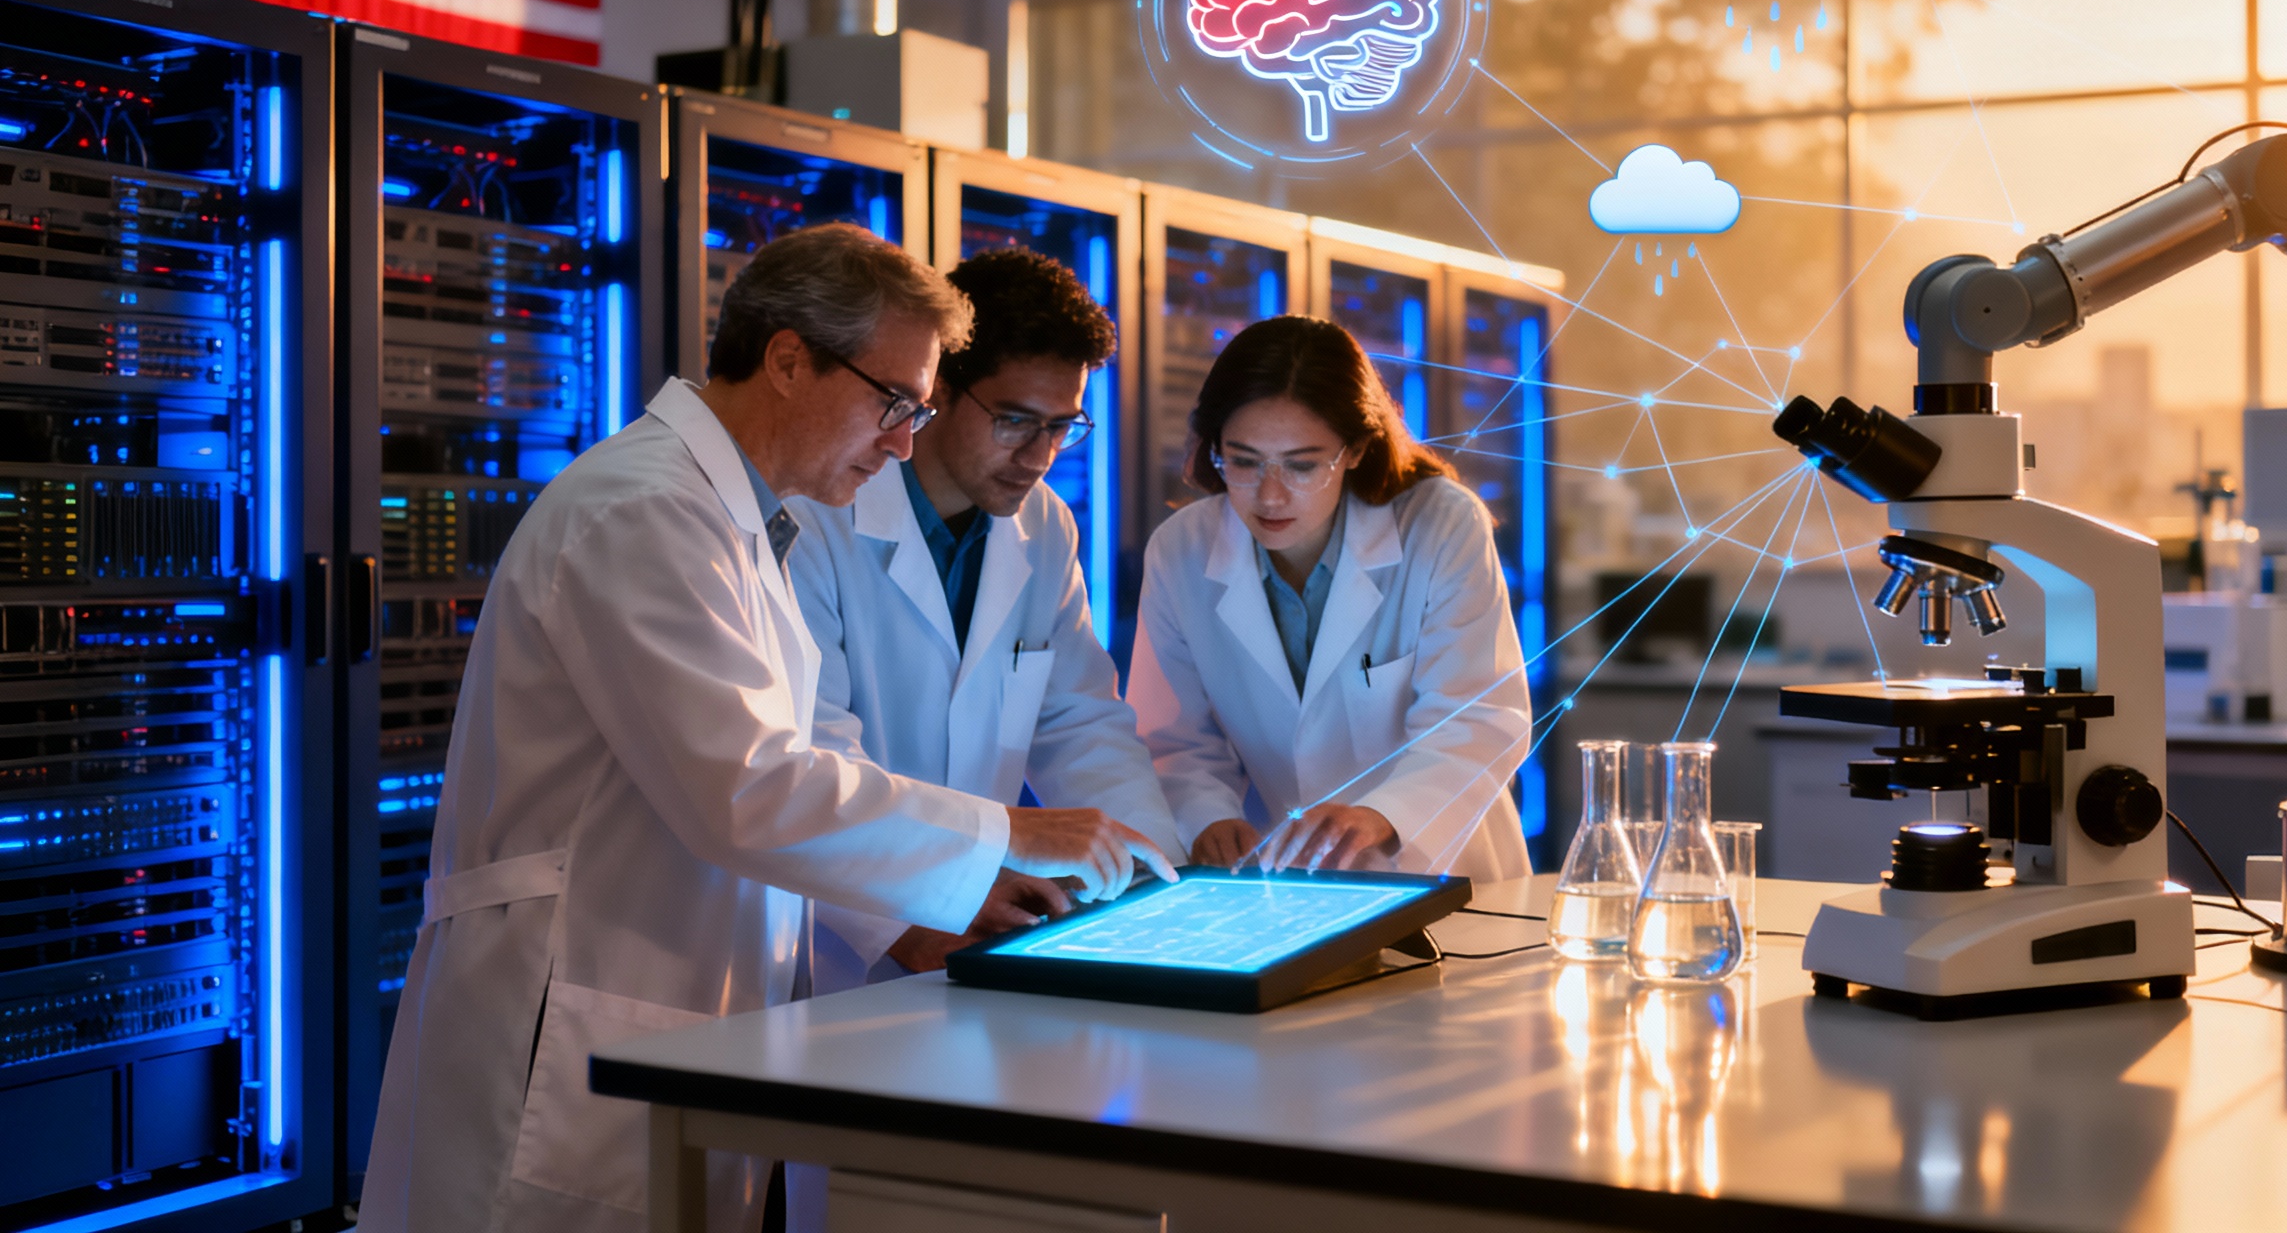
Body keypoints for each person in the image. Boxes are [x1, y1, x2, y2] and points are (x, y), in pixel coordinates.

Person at [361, 224, 1174, 1233]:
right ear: (788, 359)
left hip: (691, 1001)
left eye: (917, 411)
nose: (902, 441)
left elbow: (1057, 720)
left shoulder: (739, 518)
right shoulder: (642, 513)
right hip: (573, 1007)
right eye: (893, 403)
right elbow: (750, 786)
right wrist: (1013, 834)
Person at [789, 247, 1184, 987]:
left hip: (969, 925)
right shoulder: (818, 517)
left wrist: (1154, 878)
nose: (1041, 456)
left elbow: (1080, 723)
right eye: (1014, 421)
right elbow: (810, 753)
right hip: (834, 933)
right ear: (936, 387)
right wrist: (907, 907)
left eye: (1064, 427)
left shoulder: (1044, 526)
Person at [1130, 315, 1534, 880]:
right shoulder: (1181, 550)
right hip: (1286, 883)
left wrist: (1380, 816)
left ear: (1357, 449)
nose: (1270, 496)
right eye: (1244, 461)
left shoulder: (1439, 523)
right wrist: (1206, 817)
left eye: (1301, 465)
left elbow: (1480, 719)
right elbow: (1174, 739)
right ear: (1213, 446)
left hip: (1445, 871)